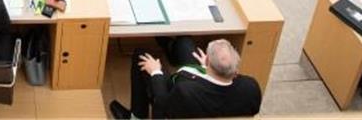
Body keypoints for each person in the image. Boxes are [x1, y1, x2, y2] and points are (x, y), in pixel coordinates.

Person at [108, 38, 262, 120]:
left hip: (180, 103)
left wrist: (156, 72)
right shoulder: (252, 87)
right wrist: (209, 69)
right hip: (209, 87)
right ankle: (170, 46)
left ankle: (136, 117)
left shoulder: (185, 91)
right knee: (185, 43)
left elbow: (162, 103)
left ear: (208, 62)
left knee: (142, 55)